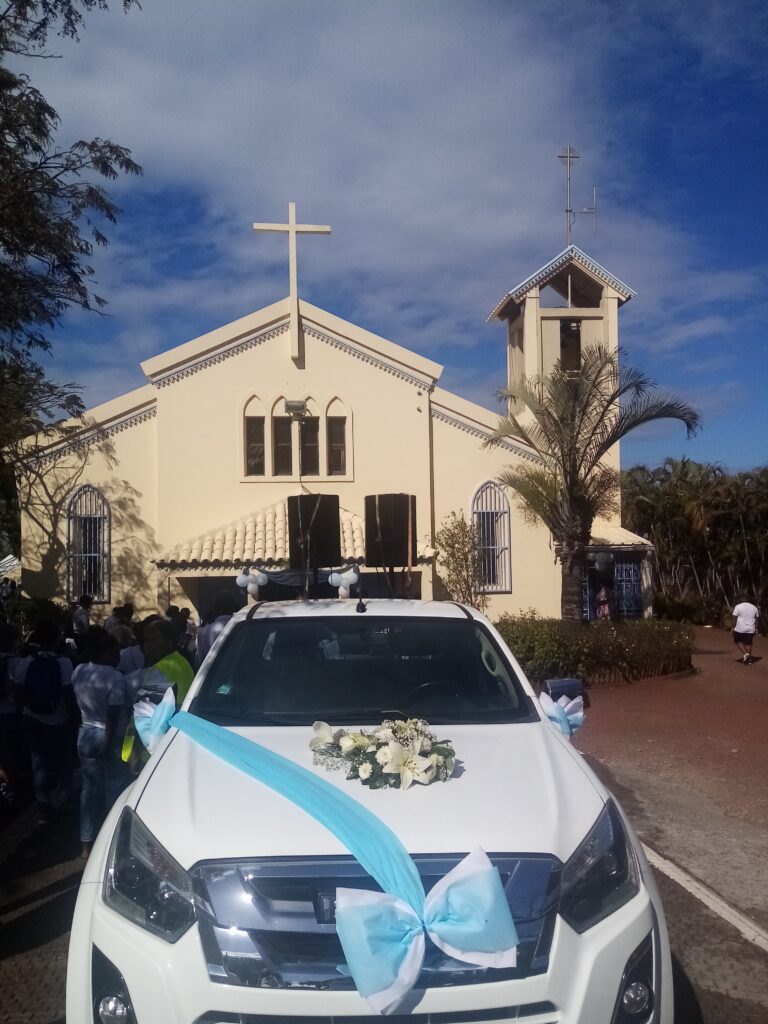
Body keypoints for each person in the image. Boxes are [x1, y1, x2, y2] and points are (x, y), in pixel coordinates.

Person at [13, 620, 78, 823]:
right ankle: (68, 799)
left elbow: (17, 692)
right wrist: (72, 717)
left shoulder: (26, 662)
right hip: (57, 721)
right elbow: (68, 693)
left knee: (38, 762)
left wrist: (24, 711)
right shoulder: (64, 662)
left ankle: (43, 804)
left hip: (30, 718)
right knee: (63, 761)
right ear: (56, 639)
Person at [71, 629, 126, 858]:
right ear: (107, 652)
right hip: (107, 736)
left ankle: (86, 844)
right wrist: (108, 742)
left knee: (89, 790)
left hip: (85, 734)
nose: (118, 656)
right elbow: (113, 715)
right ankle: (111, 840)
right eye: (115, 652)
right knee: (113, 788)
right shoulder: (115, 677)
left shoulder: (78, 670)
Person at [122, 618, 195, 772]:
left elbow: (145, 717)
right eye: (146, 640)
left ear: (170, 643)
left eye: (154, 640)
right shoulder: (183, 663)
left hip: (152, 754)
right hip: (175, 742)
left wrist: (136, 755)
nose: (148, 646)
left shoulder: (160, 670)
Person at [196, 591, 239, 667]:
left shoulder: (202, 632)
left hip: (212, 676)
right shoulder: (243, 628)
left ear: (215, 608)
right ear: (233, 607)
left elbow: (200, 661)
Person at [732, 598, 759, 664]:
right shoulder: (754, 607)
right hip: (751, 628)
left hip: (740, 628)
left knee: (737, 640)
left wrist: (733, 626)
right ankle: (748, 657)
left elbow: (734, 617)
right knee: (748, 643)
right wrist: (756, 627)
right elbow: (757, 618)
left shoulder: (738, 606)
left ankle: (746, 655)